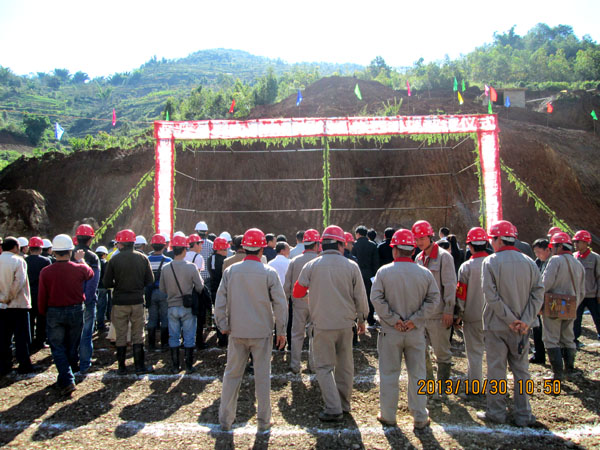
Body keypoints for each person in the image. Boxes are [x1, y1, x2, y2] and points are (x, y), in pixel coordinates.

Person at [215, 228, 287, 432]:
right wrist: (281, 330)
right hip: (262, 332)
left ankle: (225, 420)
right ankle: (263, 421)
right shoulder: (269, 272)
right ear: (262, 249)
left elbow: (219, 301)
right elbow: (280, 304)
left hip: (237, 331)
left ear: (244, 247)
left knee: (232, 375)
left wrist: (222, 325)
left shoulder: (231, 271)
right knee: (262, 377)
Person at [294, 225, 369, 422]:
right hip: (346, 324)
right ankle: (344, 404)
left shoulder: (311, 266)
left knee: (324, 367)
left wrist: (312, 297)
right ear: (340, 245)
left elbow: (297, 292)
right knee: (345, 366)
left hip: (321, 324)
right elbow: (361, 297)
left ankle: (333, 407)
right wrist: (362, 319)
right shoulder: (351, 266)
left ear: (322, 245)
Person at [476, 220, 544, 427]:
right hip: (522, 328)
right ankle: (524, 414)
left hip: (497, 326)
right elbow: (538, 293)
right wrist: (525, 320)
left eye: (492, 239)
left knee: (496, 370)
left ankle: (496, 412)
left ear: (498, 240)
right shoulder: (529, 262)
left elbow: (491, 296)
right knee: (522, 371)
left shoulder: (490, 262)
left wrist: (509, 319)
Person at [371, 229, 440, 430]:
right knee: (418, 374)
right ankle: (420, 416)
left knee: (389, 374)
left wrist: (394, 320)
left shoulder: (384, 272)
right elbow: (434, 300)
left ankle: (388, 415)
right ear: (412, 251)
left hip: (390, 332)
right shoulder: (425, 273)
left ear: (394, 250)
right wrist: (414, 320)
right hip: (415, 332)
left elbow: (376, 298)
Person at [38, 234, 93, 395]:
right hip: (75, 310)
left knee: (57, 347)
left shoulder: (46, 272)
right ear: (70, 251)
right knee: (71, 345)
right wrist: (81, 260)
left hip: (54, 311)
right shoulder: (79, 268)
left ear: (54, 252)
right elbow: (90, 273)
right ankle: (67, 377)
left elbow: (42, 295)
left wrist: (42, 312)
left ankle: (66, 379)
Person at [412, 220, 457, 391]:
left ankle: (443, 388)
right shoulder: (418, 258)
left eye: (422, 238)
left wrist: (449, 310)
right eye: (416, 239)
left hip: (439, 314)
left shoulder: (444, 257)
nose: (419, 242)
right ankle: (429, 386)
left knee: (442, 352)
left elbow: (450, 285)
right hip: (422, 314)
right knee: (421, 351)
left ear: (430, 236)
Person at [103, 229, 154, 375]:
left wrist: (118, 284)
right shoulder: (143, 258)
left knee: (121, 334)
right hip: (137, 301)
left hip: (119, 301)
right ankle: (139, 366)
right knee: (138, 334)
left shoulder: (114, 260)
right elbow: (150, 280)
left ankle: (121, 367)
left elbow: (106, 283)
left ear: (120, 244)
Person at [541, 232, 585, 379]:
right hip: (572, 305)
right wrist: (575, 305)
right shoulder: (578, 263)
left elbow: (545, 284)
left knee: (551, 338)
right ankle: (570, 370)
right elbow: (582, 291)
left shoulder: (555, 261)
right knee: (568, 338)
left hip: (553, 306)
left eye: (553, 246)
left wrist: (539, 303)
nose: (552, 249)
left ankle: (557, 373)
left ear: (559, 246)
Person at [159, 235, 204, 374]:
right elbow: (200, 287)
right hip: (187, 306)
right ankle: (189, 366)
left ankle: (175, 366)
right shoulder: (191, 267)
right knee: (189, 336)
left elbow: (162, 288)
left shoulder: (166, 268)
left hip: (172, 306)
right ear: (185, 250)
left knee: (174, 336)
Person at [455, 227, 488, 393]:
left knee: (474, 353)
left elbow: (461, 294)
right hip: (496, 317)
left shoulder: (466, 267)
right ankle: (498, 388)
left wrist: (458, 314)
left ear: (470, 246)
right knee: (497, 354)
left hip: (473, 315)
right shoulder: (495, 263)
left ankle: (475, 387)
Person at [284, 228, 320, 374]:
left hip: (298, 302)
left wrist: (287, 300)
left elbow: (287, 284)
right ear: (317, 244)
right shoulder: (320, 261)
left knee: (297, 334)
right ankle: (313, 365)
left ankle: (295, 365)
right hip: (317, 303)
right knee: (315, 334)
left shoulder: (294, 261)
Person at [0, 237, 36, 375]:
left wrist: (2, 299)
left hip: (2, 306)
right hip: (18, 305)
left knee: (4, 337)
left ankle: (5, 365)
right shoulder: (19, 260)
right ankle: (24, 364)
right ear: (15, 247)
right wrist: (8, 297)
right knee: (22, 337)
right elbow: (19, 281)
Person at [72, 224, 100, 375]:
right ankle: (84, 363)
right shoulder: (93, 257)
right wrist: (87, 300)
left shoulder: (68, 254)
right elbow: (93, 282)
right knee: (86, 332)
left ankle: (72, 363)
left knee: (71, 333)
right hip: (86, 301)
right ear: (90, 240)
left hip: (70, 301)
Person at [572, 230, 600, 347]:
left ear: (586, 242)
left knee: (598, 317)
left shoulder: (595, 258)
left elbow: (599, 277)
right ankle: (574, 339)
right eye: (575, 242)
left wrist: (599, 294)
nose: (575, 244)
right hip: (578, 296)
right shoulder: (573, 257)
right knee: (576, 319)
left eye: (578, 242)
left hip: (592, 295)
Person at [146, 234, 172, 352]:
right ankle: (164, 343)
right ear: (164, 246)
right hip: (164, 292)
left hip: (150, 293)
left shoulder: (146, 260)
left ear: (152, 246)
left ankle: (151, 344)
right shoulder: (168, 261)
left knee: (152, 318)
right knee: (165, 318)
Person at [25, 237, 51, 350]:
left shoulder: (24, 260)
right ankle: (40, 341)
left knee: (29, 319)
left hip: (28, 293)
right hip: (42, 293)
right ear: (41, 249)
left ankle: (29, 341)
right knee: (42, 318)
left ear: (29, 248)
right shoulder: (45, 261)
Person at [352, 225, 379, 327]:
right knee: (369, 296)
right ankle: (370, 319)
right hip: (369, 274)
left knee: (355, 296)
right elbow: (376, 262)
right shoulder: (372, 245)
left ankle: (356, 319)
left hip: (357, 273)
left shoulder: (354, 245)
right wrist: (375, 276)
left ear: (358, 234)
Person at [530, 238, 552, 364]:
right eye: (535, 252)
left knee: (551, 332)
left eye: (539, 252)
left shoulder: (553, 263)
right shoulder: (537, 262)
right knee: (537, 330)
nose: (537, 255)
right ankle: (539, 355)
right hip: (538, 300)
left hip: (550, 301)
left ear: (547, 250)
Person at [208, 237, 229, 347]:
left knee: (218, 313)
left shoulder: (210, 259)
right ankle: (224, 338)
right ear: (220, 249)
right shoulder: (224, 261)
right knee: (225, 313)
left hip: (213, 289)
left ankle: (220, 337)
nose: (226, 251)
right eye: (225, 249)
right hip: (223, 290)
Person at [95, 246, 110, 333]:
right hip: (103, 287)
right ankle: (100, 325)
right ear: (104, 254)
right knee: (102, 307)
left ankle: (94, 325)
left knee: (94, 307)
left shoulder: (93, 261)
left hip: (94, 287)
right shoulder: (105, 263)